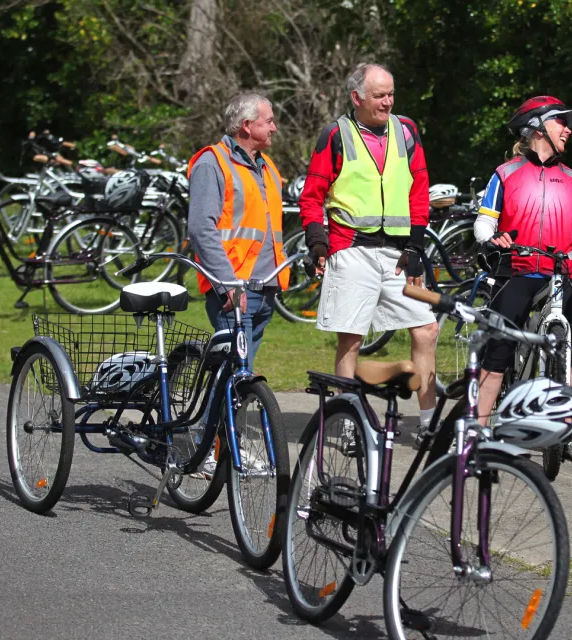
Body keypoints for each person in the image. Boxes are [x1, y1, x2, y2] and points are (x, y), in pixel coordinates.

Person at [299, 63, 438, 451]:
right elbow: (312, 196)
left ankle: (428, 424)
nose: (388, 102)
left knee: (427, 329)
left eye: (391, 94)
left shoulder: (406, 131)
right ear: (356, 97)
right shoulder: (335, 135)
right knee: (351, 341)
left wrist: (415, 245)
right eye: (379, 96)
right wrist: (318, 241)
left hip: (398, 253)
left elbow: (419, 190)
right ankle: (347, 427)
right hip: (351, 249)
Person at [473, 96, 572, 463]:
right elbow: (484, 223)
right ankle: (478, 431)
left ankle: (570, 433)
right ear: (537, 128)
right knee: (499, 351)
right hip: (516, 271)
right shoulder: (506, 173)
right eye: (561, 123)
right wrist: (493, 239)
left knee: (565, 350)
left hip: (558, 273)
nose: (568, 129)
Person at [187, 93, 289, 476]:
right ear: (247, 126)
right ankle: (209, 449)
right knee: (236, 372)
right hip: (234, 291)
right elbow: (201, 229)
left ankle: (217, 445)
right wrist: (229, 285)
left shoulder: (265, 166)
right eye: (269, 121)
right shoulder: (212, 163)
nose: (274, 127)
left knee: (239, 375)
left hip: (263, 289)